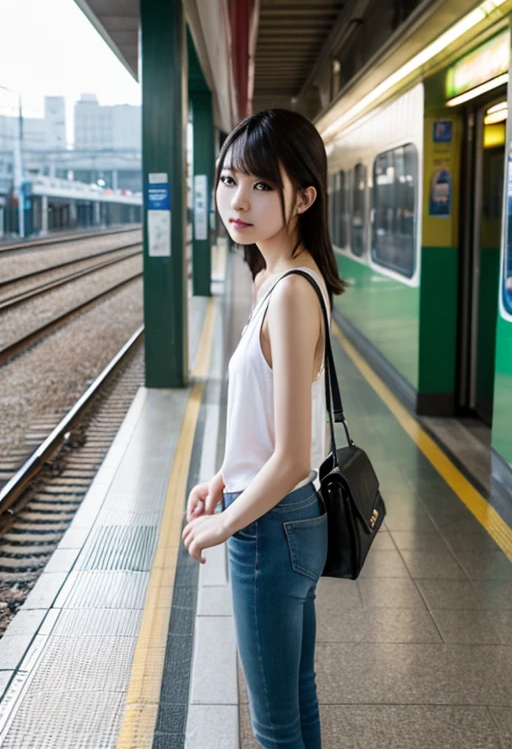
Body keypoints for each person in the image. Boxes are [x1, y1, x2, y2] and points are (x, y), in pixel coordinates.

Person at [182, 108, 344, 748]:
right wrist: (223, 475)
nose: (237, 200)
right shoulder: (272, 277)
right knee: (294, 703)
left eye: (261, 185)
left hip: (271, 523)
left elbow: (292, 457)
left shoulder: (294, 292)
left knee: (274, 724)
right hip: (277, 516)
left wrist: (226, 522)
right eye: (227, 180)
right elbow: (268, 420)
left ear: (304, 196)